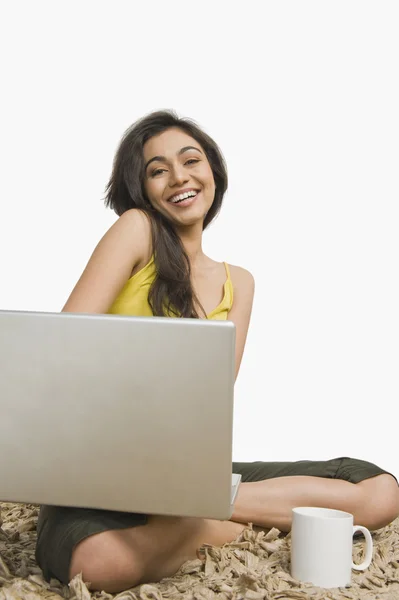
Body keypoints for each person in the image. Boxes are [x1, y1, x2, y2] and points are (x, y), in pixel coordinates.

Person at [35, 109, 399, 594]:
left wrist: (195, 487)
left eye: (191, 160)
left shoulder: (239, 283)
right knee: (98, 565)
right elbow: (60, 349)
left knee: (380, 493)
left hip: (183, 470)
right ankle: (208, 526)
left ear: (213, 172)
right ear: (141, 188)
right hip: (99, 468)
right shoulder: (136, 228)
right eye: (157, 169)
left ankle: (209, 508)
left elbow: (211, 400)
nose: (179, 177)